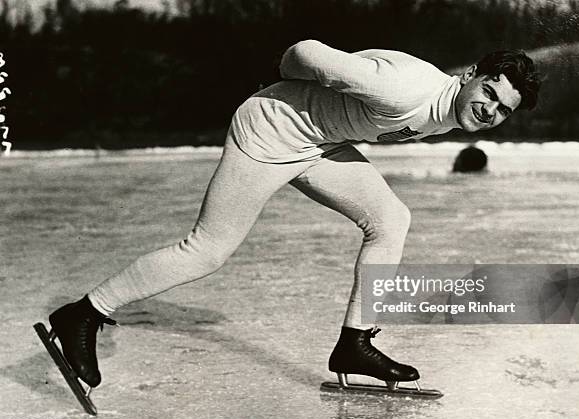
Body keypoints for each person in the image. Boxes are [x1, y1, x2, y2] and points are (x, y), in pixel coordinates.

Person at [47, 40, 541, 390]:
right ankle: (83, 313)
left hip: (316, 143)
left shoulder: (446, 109)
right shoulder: (405, 90)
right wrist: (285, 79)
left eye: (502, 110)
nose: (489, 110)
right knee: (208, 249)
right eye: (489, 93)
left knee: (391, 220)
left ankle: (354, 343)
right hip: (268, 130)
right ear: (472, 75)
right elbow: (305, 52)